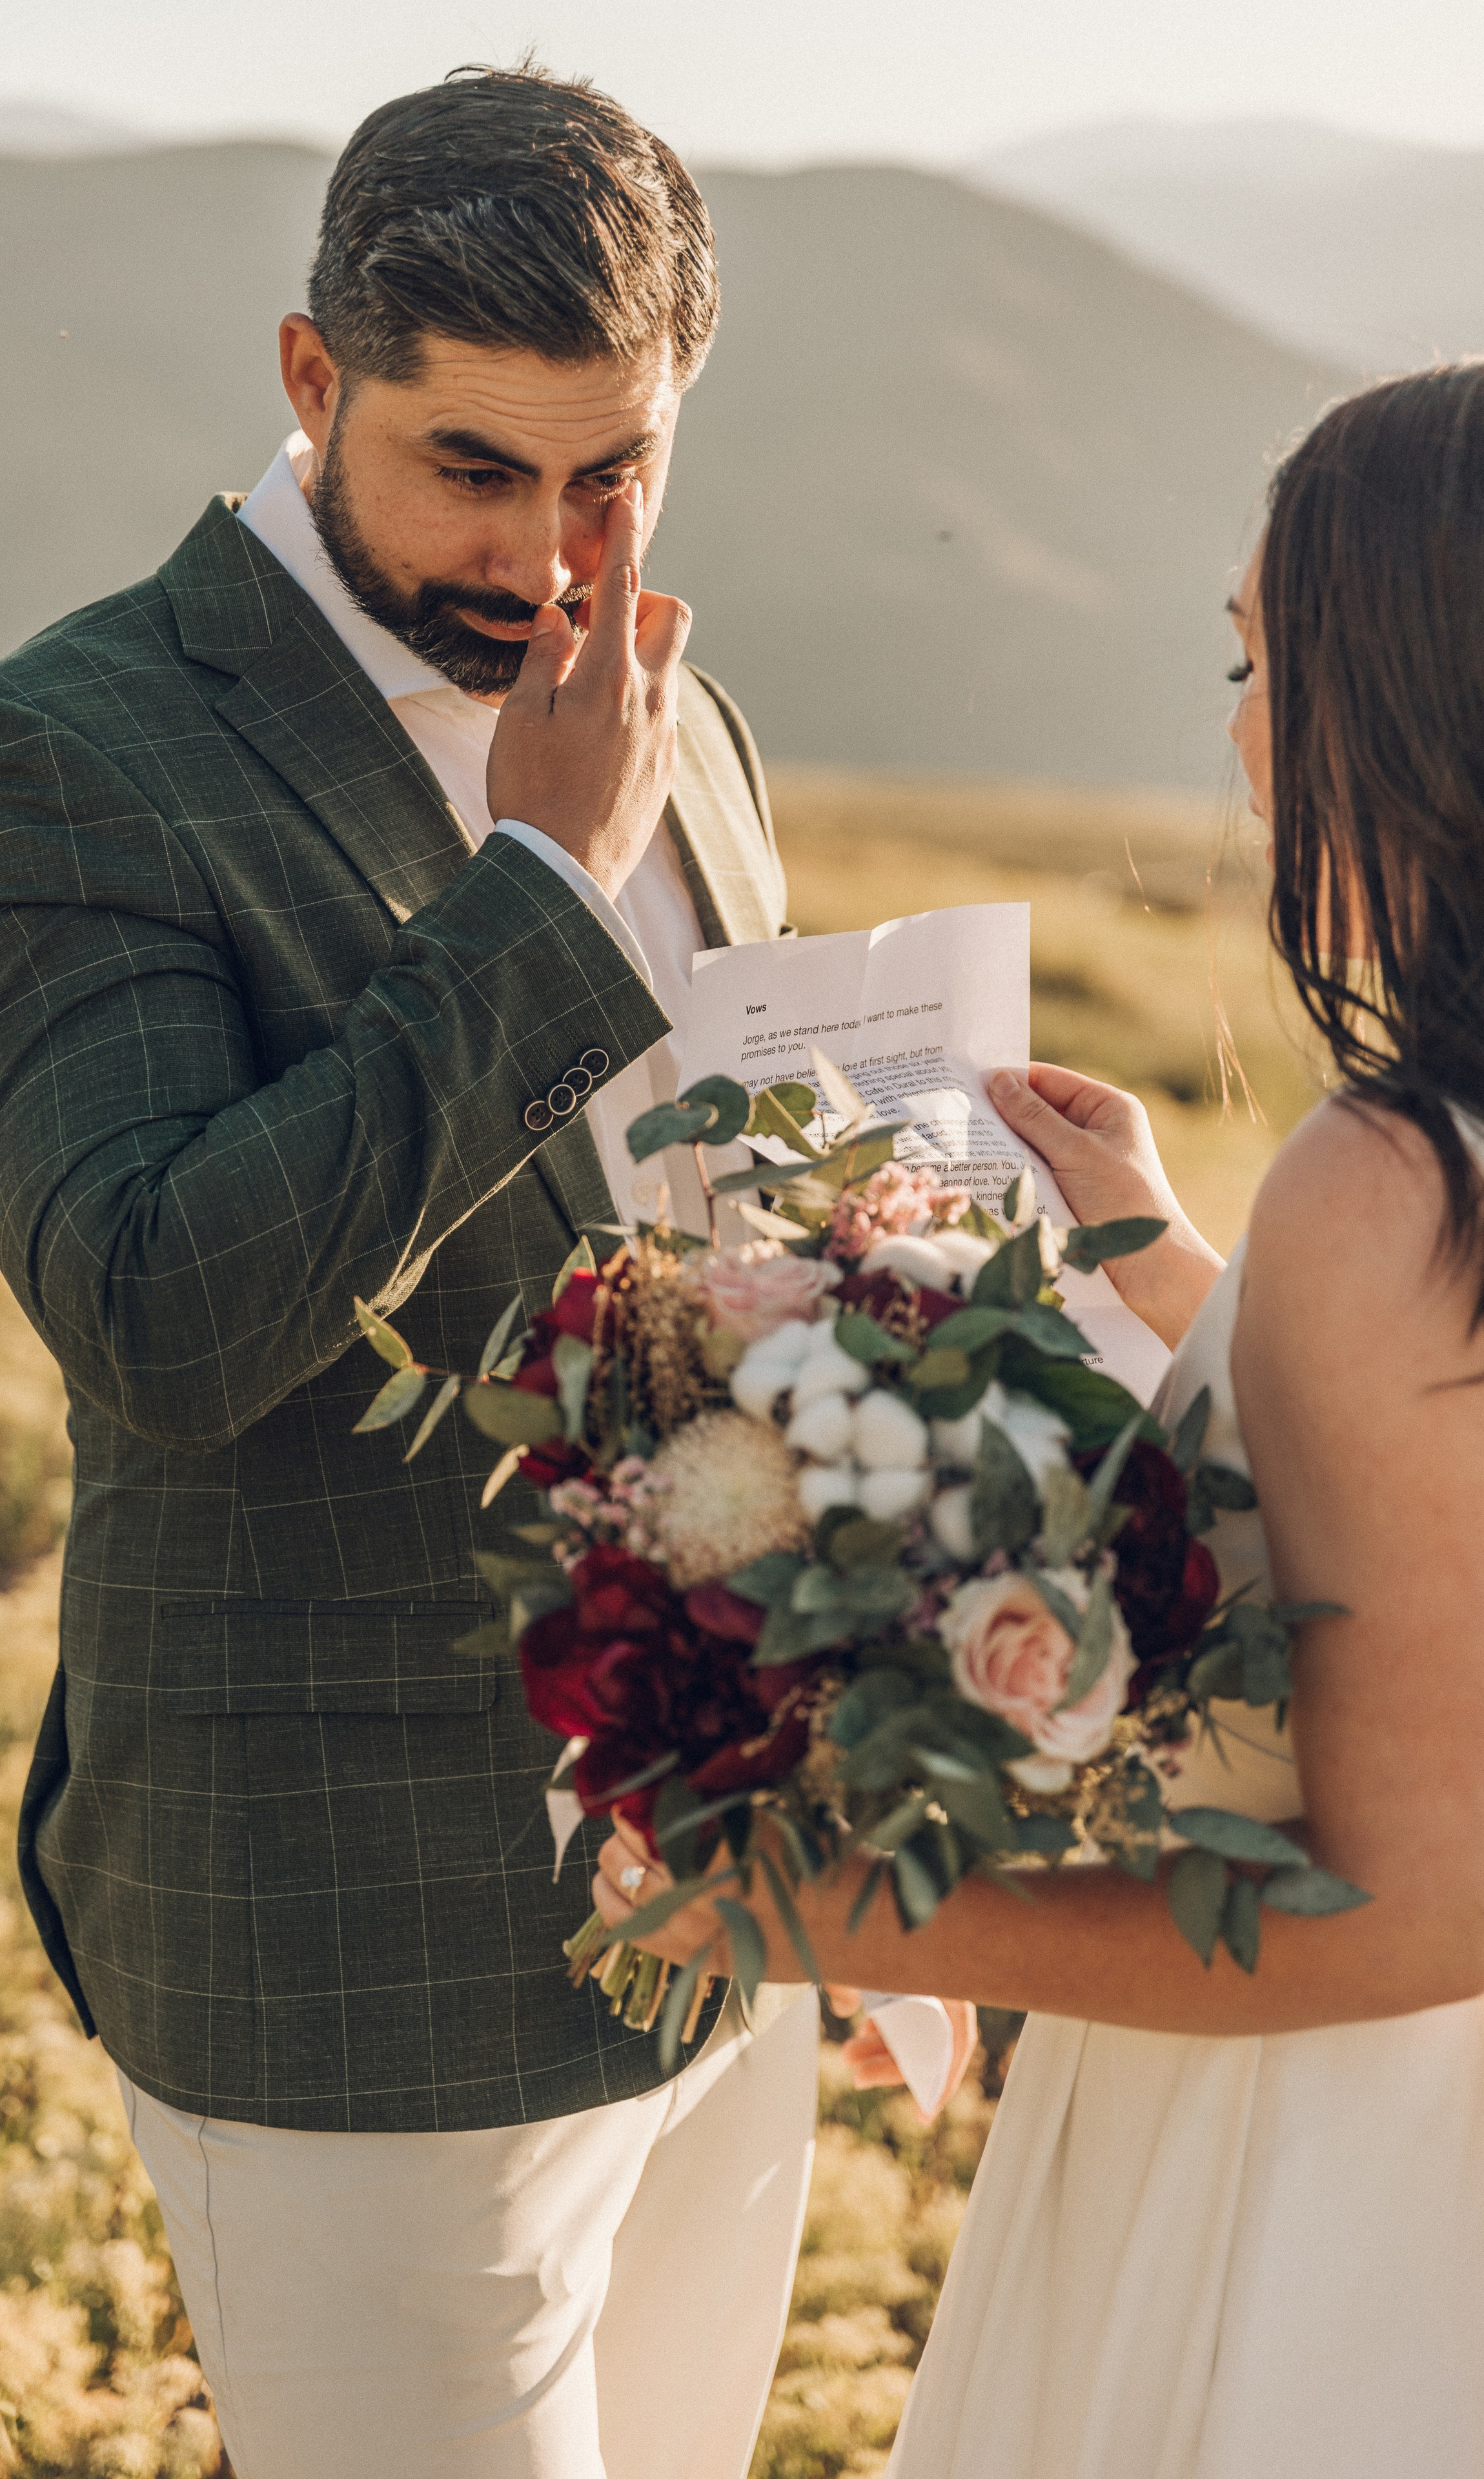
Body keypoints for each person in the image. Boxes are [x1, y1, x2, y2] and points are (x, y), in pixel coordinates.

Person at [0, 65, 818, 2479]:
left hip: (735, 1888)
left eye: (614, 471)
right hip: (354, 1953)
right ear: (311, 385)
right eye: (474, 470)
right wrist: (536, 895)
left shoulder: (683, 715)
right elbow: (159, 1310)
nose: (551, 553)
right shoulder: (57, 756)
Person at [594, 363, 1484, 2474]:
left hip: (1333, 2164)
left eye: (1265, 659)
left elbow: (1420, 1903)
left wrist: (828, 1912)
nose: (1243, 726)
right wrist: (1167, 1259)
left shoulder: (1389, 1186)